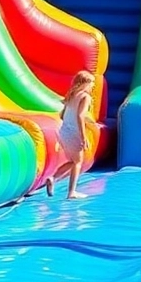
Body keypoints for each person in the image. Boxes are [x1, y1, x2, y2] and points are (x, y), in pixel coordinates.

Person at [46, 70, 101, 200]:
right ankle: (72, 192)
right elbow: (80, 116)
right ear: (85, 83)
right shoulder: (85, 97)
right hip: (73, 133)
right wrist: (83, 136)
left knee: (73, 161)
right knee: (78, 162)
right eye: (92, 82)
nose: (93, 85)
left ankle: (52, 178)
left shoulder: (72, 95)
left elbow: (63, 115)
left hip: (64, 131)